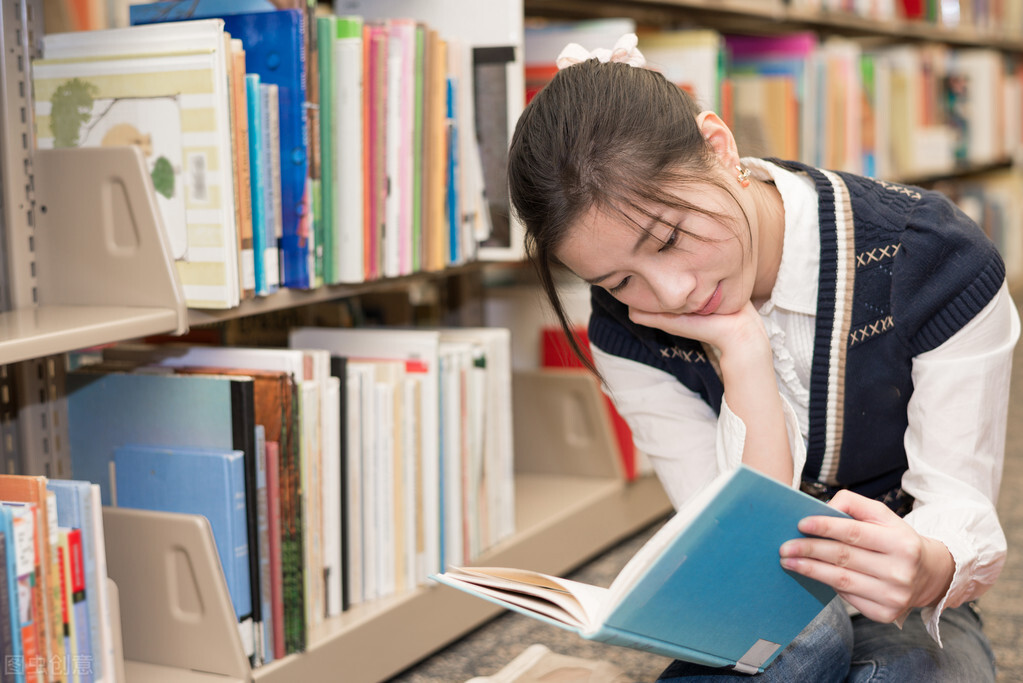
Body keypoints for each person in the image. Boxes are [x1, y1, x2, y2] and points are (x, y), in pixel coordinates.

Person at [507, 33, 1020, 681]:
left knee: (909, 669)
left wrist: (926, 564)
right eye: (618, 281)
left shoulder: (930, 259)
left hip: (900, 605)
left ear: (720, 149)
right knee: (804, 635)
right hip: (758, 618)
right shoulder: (625, 329)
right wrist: (742, 351)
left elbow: (957, 505)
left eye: (668, 238)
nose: (671, 292)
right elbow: (739, 561)